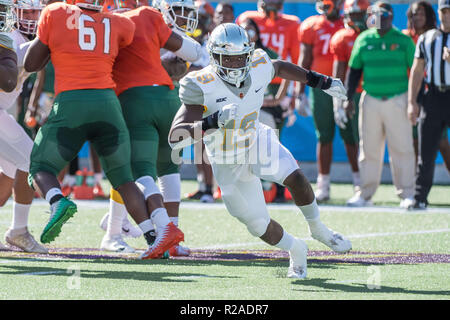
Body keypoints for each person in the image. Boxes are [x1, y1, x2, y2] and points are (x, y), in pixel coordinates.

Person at [169, 23, 351, 278]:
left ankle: (318, 227)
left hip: (255, 140)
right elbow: (176, 136)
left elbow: (279, 66)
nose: (236, 65)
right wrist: (212, 121)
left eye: (241, 58)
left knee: (295, 177)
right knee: (257, 224)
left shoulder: (257, 64)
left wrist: (320, 81)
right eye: (228, 59)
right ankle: (296, 248)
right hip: (226, 160)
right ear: (214, 57)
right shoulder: (200, 83)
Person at [24, 0, 184, 259]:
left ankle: (56, 200)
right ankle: (154, 237)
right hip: (108, 104)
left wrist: (51, 41)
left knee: (40, 166)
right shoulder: (120, 23)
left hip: (71, 102)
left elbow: (32, 64)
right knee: (123, 179)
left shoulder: (53, 13)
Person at [99, 0, 201, 255]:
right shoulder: (148, 15)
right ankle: (170, 238)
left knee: (137, 172)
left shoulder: (105, 23)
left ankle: (162, 229)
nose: (182, 16)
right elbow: (195, 52)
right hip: (168, 98)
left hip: (132, 99)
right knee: (168, 169)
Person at [345, 1, 416, 208]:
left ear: (391, 17)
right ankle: (365, 194)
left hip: (398, 98)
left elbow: (416, 72)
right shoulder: (364, 38)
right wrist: (347, 98)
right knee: (368, 148)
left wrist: (414, 101)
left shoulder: (403, 41)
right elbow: (354, 71)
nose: (377, 20)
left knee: (402, 147)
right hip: (371, 99)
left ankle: (407, 194)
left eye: (382, 16)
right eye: (373, 16)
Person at [236, 0, 301, 203]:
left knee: (272, 145)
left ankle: (278, 189)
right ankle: (252, 189)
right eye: (244, 30)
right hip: (244, 101)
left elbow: (286, 67)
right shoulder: (235, 52)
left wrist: (283, 98)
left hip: (267, 100)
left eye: (251, 30)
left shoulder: (266, 53)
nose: (248, 34)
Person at [296, 0, 359, 202]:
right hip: (321, 88)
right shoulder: (311, 25)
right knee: (324, 136)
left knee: (352, 136)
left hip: (348, 87)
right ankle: (324, 184)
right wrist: (299, 93)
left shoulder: (349, 22)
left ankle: (360, 182)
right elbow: (304, 60)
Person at [0, 0, 48, 254]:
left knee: (9, 172)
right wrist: (54, 36)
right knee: (31, 158)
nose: (30, 16)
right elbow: (25, 58)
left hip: (3, 110)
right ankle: (18, 231)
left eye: (34, 11)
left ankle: (18, 230)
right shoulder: (8, 34)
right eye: (25, 11)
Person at [407, 0, 450, 210]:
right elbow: (417, 70)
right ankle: (420, 197)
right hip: (433, 95)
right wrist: (411, 102)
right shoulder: (427, 38)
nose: (446, 15)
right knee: (426, 150)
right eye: (444, 11)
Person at [329, 0, 370, 192]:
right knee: (351, 138)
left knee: (369, 139)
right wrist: (339, 99)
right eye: (353, 14)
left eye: (360, 14)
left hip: (373, 92)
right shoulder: (342, 37)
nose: (357, 19)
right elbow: (339, 71)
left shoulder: (375, 36)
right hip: (352, 93)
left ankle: (368, 179)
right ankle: (358, 179)